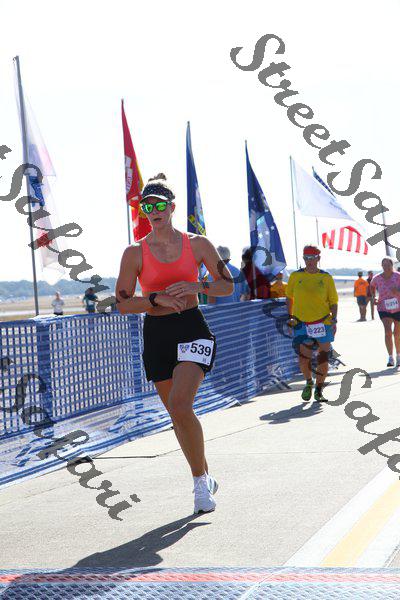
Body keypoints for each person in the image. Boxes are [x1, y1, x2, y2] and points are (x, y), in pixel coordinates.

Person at [115, 174, 233, 514]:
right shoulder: (134, 252)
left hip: (192, 328)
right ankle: (204, 475)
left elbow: (227, 285)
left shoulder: (198, 244)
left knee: (181, 405)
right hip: (157, 333)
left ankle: (199, 487)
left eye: (159, 206)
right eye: (147, 207)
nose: (153, 211)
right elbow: (122, 302)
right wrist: (156, 299)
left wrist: (197, 286)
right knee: (177, 415)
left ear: (172, 208)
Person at [286, 245, 338, 402]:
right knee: (304, 359)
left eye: (312, 258)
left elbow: (333, 301)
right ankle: (309, 382)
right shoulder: (295, 276)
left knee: (323, 358)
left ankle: (319, 389)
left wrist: (334, 319)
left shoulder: (326, 277)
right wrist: (290, 316)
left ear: (318, 258)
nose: (309, 261)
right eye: (306, 258)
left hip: (323, 322)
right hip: (302, 323)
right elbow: (289, 298)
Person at [370, 257, 400, 367]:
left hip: (398, 307)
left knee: (397, 333)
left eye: (388, 265)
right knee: (388, 331)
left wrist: (398, 291)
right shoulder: (377, 278)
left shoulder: (398, 276)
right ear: (381, 266)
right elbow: (372, 286)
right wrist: (374, 297)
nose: (386, 267)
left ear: (392, 265)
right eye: (384, 265)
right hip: (383, 307)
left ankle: (398, 355)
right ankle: (390, 357)